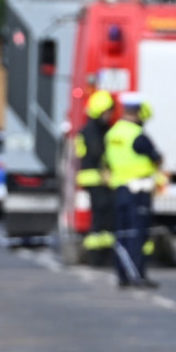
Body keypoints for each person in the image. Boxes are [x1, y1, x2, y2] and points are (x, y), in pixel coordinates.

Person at [104, 93, 162, 289]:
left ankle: (122, 274)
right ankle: (137, 275)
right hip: (138, 191)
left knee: (122, 233)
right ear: (138, 112)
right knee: (138, 234)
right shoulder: (138, 136)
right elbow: (156, 157)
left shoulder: (113, 133)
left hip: (119, 188)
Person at [76, 90, 115, 266]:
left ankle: (102, 253)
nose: (110, 115)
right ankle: (94, 255)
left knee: (104, 216)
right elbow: (97, 152)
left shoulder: (96, 128)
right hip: (95, 177)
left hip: (99, 178)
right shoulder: (92, 130)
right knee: (99, 217)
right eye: (107, 112)